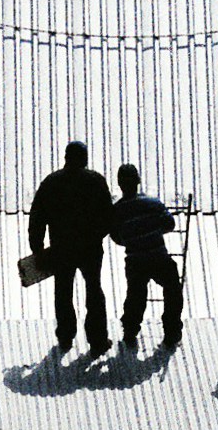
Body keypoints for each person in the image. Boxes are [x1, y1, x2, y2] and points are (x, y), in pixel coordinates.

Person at [26, 140, 114, 355]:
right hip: (90, 248)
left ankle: (65, 336)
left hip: (61, 248)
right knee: (93, 288)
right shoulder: (95, 181)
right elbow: (108, 216)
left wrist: (38, 250)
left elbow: (37, 218)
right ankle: (98, 340)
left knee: (63, 291)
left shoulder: (52, 182)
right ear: (84, 158)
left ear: (66, 157)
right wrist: (96, 236)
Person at [108, 165, 182, 354]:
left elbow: (116, 237)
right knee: (173, 288)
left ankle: (130, 330)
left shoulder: (117, 210)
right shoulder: (153, 203)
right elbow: (169, 224)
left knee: (135, 294)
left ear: (119, 184)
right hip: (158, 255)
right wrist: (153, 231)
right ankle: (172, 331)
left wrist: (132, 238)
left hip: (135, 258)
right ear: (138, 181)